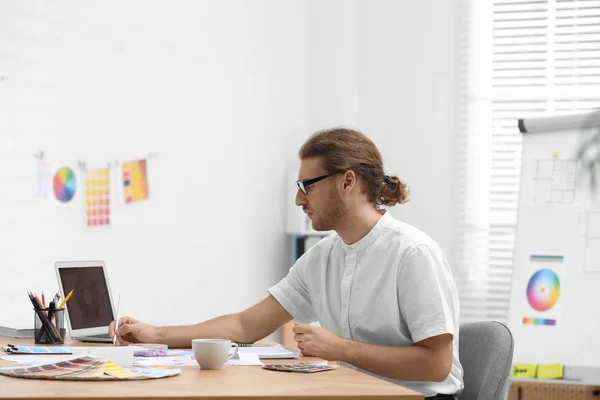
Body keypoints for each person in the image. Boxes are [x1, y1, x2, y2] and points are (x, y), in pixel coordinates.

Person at [110, 128, 464, 399]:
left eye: (306, 185)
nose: (298, 199)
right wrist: (156, 334)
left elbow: (436, 365)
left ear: (348, 181)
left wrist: (339, 349)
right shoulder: (323, 257)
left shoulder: (413, 254)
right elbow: (246, 325)